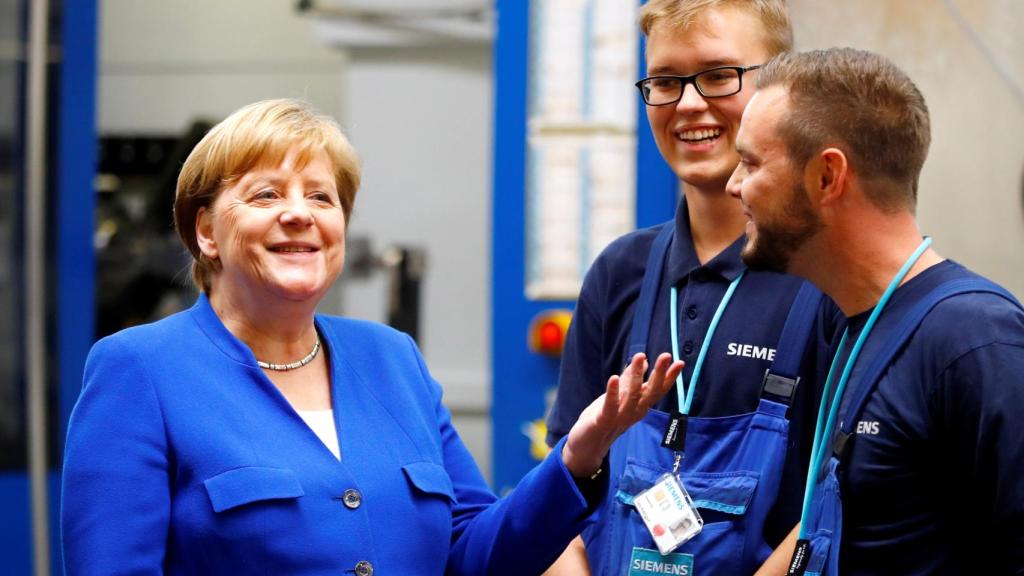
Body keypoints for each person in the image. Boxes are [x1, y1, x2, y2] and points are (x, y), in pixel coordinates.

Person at [60, 99, 685, 576]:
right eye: (266, 194)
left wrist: (577, 456)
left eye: (321, 197)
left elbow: (473, 554)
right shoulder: (140, 370)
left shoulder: (391, 359)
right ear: (204, 231)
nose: (299, 213)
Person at [544, 1, 840, 574]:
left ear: (783, 88)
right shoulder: (619, 272)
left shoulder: (827, 278)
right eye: (665, 81)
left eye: (718, 75)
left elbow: (840, 500)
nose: (687, 104)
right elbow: (559, 482)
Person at [727, 47, 1024, 574]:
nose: (734, 185)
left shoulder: (975, 340)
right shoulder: (851, 327)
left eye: (750, 162)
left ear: (826, 177)